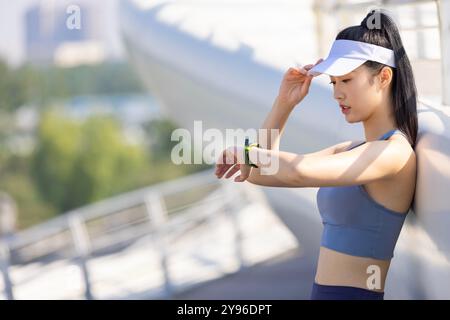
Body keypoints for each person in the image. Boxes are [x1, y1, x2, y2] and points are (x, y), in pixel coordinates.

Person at [215, 10, 418, 300]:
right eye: (333, 83)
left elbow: (300, 170)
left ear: (384, 76)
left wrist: (244, 153)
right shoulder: (349, 150)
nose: (336, 94)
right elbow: (259, 172)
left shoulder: (394, 153)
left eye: (346, 80)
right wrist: (284, 103)